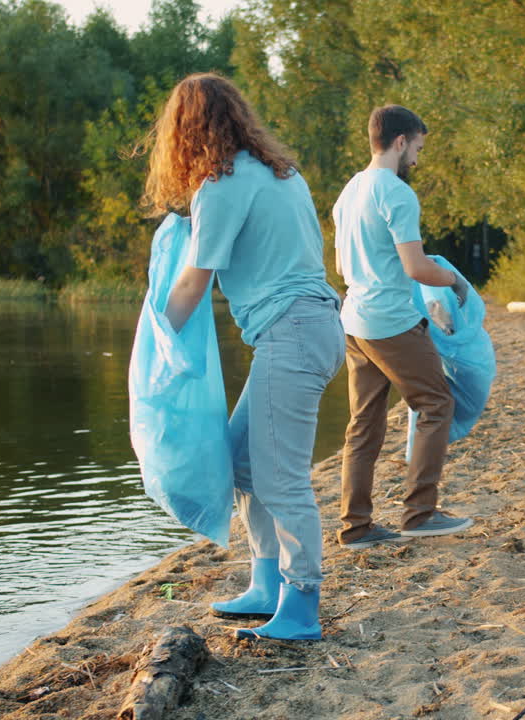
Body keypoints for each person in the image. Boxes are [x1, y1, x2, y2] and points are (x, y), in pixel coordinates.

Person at [149, 73, 343, 640]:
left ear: (185, 130)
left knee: (281, 480)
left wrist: (155, 348)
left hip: (294, 334)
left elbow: (192, 283)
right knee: (240, 462)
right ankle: (266, 584)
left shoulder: (223, 183)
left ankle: (302, 607)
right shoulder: (283, 174)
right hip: (310, 329)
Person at [333, 104, 473, 550]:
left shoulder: (350, 190)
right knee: (435, 403)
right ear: (400, 141)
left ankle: (356, 527)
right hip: (388, 321)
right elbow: (416, 267)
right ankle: (420, 513)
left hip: (353, 318)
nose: (417, 158)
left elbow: (340, 264)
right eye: (417, 148)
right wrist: (455, 279)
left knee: (364, 423)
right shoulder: (394, 192)